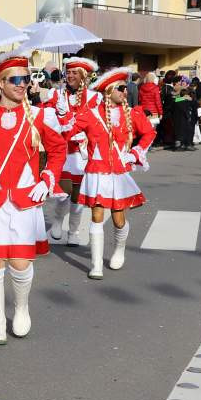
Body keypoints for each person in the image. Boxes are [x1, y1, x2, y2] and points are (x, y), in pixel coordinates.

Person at [0, 50, 67, 345]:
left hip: (26, 201)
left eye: (26, 78)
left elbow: (58, 150)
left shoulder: (39, 115)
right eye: (16, 79)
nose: (23, 84)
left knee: (21, 264)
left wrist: (48, 178)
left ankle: (21, 308)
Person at [70, 68, 156, 279]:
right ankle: (96, 264)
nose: (125, 92)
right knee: (97, 215)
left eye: (125, 88)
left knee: (118, 220)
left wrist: (135, 153)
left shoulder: (133, 113)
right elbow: (68, 132)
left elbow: (149, 133)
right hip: (97, 171)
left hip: (118, 172)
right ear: (108, 91)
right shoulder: (90, 114)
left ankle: (119, 249)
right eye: (121, 88)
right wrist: (65, 117)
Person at [42, 57, 100, 246]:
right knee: (64, 192)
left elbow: (96, 123)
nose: (70, 75)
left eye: (75, 72)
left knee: (77, 196)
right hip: (63, 151)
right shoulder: (56, 95)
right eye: (69, 72)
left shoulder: (93, 98)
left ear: (83, 76)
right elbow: (45, 120)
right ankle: (58, 220)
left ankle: (73, 231)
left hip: (82, 154)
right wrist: (55, 113)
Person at [169, 75, 197, 151]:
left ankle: (183, 144)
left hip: (181, 116)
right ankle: (179, 145)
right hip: (178, 116)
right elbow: (173, 100)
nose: (180, 84)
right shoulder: (173, 94)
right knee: (179, 131)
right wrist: (183, 98)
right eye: (179, 83)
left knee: (182, 131)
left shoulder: (181, 95)